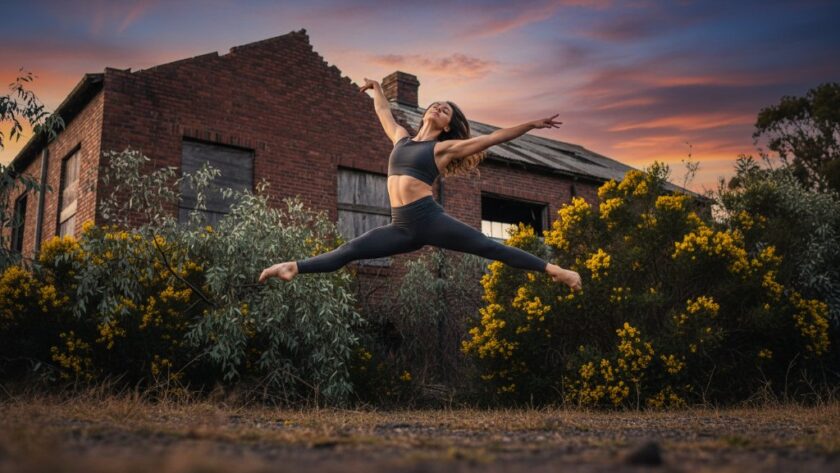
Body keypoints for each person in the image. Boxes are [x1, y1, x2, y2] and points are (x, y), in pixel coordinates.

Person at [259, 78, 582, 291]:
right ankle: (293, 267)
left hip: (429, 219)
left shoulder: (443, 149)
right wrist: (378, 90)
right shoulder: (401, 139)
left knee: (488, 247)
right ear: (427, 113)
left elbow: (494, 138)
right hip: (401, 227)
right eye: (438, 104)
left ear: (446, 126)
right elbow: (384, 113)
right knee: (350, 250)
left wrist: (531, 125)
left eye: (447, 112)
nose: (440, 108)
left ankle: (556, 270)